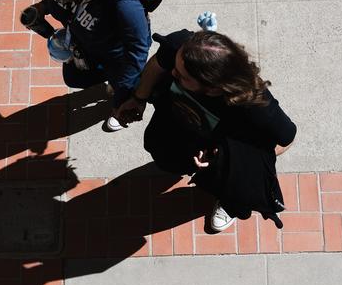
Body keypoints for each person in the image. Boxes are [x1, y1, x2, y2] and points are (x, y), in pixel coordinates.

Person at [117, 28, 297, 232]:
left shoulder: (255, 105)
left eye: (182, 77)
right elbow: (158, 64)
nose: (173, 73)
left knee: (231, 187)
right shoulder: (185, 49)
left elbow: (287, 138)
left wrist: (233, 161)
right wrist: (138, 99)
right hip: (175, 129)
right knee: (162, 155)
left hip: (219, 151)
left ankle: (231, 205)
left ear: (213, 88)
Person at [20, 0, 155, 131]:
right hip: (85, 46)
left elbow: (138, 50)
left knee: (122, 86)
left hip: (117, 59)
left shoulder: (124, 3)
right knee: (74, 78)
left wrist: (125, 92)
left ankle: (119, 107)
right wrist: (43, 7)